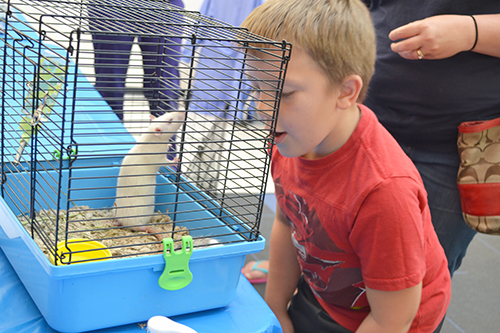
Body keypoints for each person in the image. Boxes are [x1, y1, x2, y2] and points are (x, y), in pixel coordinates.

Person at [241, 1, 451, 332]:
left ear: (345, 92)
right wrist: (275, 307)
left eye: (283, 93)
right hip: (330, 294)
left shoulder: (383, 192)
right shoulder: (289, 137)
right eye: (256, 88)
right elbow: (286, 219)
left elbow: (391, 319)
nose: (262, 108)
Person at [361, 1, 500, 276]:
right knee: (336, 256)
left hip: (456, 150)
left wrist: (470, 32)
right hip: (364, 121)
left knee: (417, 278)